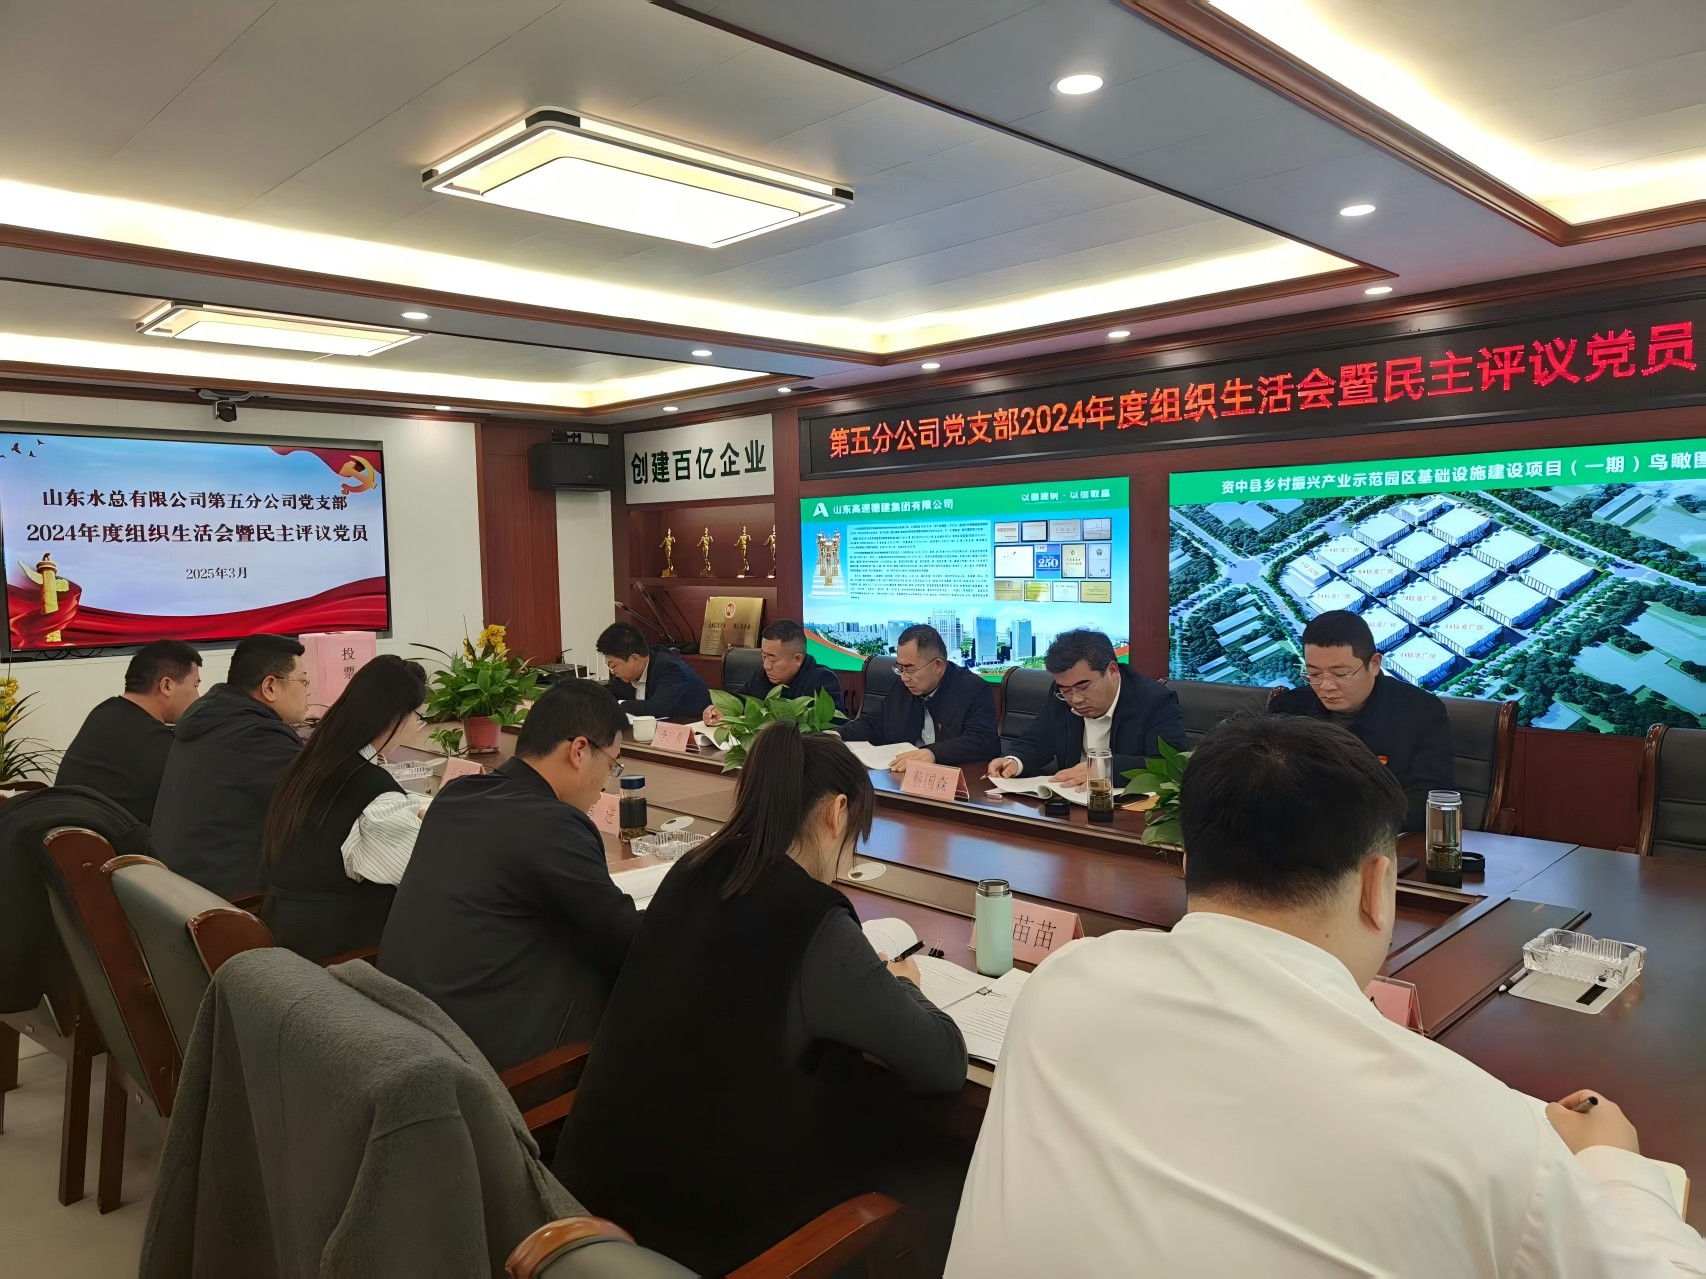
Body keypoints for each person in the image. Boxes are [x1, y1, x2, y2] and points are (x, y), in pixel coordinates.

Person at [948, 714, 1706, 1277]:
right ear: (1380, 884)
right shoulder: (1478, 1130)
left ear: (1185, 859)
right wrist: (1613, 1164)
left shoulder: (1066, 982)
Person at [555, 723, 966, 1275]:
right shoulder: (811, 918)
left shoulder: (692, 869)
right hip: (711, 1239)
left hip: (592, 1209)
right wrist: (905, 984)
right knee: (933, 1181)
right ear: (837, 812)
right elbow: (942, 1061)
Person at [380, 679, 640, 1072]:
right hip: (490, 1063)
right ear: (579, 751)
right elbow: (626, 942)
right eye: (611, 764)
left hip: (415, 1031)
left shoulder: (457, 794)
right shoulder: (552, 824)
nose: (607, 781)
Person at [259, 655, 429, 963]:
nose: (418, 725)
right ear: (396, 716)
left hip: (285, 934)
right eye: (419, 716)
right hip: (342, 955)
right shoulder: (375, 796)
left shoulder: (309, 764)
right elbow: (424, 876)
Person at [152, 634, 309, 897]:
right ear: (270, 686)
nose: (308, 690)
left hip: (179, 887)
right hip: (227, 900)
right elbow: (320, 803)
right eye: (304, 681)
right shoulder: (258, 735)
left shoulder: (214, 718)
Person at [1269, 609, 1455, 831]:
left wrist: (1336, 821)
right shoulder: (1289, 709)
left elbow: (1428, 803)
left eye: (1340, 674)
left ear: (1374, 664)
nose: (1326, 686)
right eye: (1315, 674)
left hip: (1378, 839)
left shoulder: (1420, 711)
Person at [988, 629, 1184, 786]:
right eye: (1066, 690)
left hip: (1126, 809)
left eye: (1083, 687)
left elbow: (1173, 765)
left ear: (1112, 671)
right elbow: (1037, 741)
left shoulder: (1153, 700)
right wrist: (1014, 761)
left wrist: (1105, 769)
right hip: (1071, 803)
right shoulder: (1059, 694)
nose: (1075, 699)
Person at [56, 639, 203, 825]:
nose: (198, 697)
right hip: (120, 842)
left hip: (69, 836)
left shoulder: (104, 712)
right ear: (167, 686)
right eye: (195, 686)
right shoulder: (158, 744)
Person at [836, 623, 1000, 774]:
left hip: (952, 780)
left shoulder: (973, 690)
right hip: (902, 776)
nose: (904, 677)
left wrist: (933, 754)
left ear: (938, 666)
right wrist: (835, 735)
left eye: (910, 668)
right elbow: (876, 723)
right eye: (900, 668)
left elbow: (982, 742)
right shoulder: (903, 685)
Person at [702, 619, 842, 725]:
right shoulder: (763, 674)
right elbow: (743, 699)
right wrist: (720, 710)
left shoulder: (823, 679)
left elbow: (834, 726)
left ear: (797, 659)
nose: (766, 666)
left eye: (773, 659)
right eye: (763, 656)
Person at [595, 621, 711, 720]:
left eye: (613, 666)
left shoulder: (669, 668)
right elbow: (610, 694)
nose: (612, 671)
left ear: (634, 659)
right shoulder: (627, 672)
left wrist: (618, 705)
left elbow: (656, 709)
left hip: (688, 732)